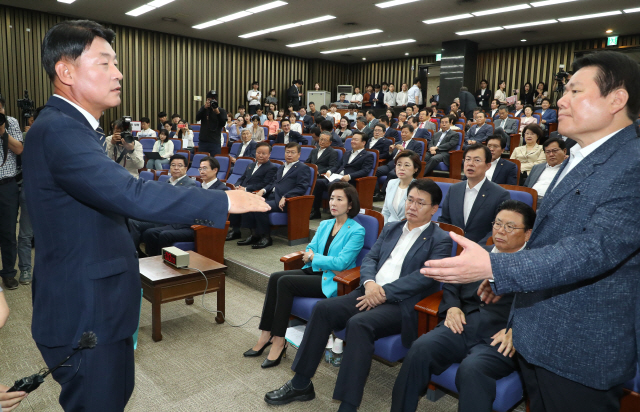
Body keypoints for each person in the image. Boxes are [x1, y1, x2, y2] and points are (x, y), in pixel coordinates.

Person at [23, 20, 269, 412]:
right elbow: (129, 193)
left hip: (99, 305)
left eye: (116, 64)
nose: (118, 73)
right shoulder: (60, 131)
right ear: (65, 72)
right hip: (85, 312)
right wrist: (221, 202)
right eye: (104, 63)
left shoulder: (71, 128)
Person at [421, 51, 640, 412]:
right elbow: (549, 242)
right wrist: (506, 283)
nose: (561, 100)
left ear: (617, 99)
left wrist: (496, 267)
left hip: (579, 349)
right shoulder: (580, 156)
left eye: (573, 91)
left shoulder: (631, 162)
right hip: (536, 337)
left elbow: (594, 249)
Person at [264, 179, 452, 411]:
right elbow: (371, 259)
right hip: (368, 291)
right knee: (323, 309)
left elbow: (426, 276)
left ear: (434, 209)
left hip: (400, 305)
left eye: (420, 202)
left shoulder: (441, 239)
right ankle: (301, 383)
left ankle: (348, 404)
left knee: (359, 324)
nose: (412, 206)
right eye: (409, 200)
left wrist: (383, 293)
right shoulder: (392, 228)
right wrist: (371, 284)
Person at [392, 200, 535, 412]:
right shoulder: (478, 253)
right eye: (497, 224)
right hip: (463, 324)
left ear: (528, 234)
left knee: (472, 368)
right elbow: (451, 282)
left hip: (501, 337)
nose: (501, 231)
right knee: (421, 347)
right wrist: (452, 307)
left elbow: (545, 307)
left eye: (510, 227)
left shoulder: (537, 267)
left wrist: (520, 330)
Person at [245, 182, 365, 367]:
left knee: (284, 282)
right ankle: (265, 334)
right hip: (315, 271)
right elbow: (310, 248)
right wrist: (314, 256)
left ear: (350, 205)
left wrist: (314, 257)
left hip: (333, 279)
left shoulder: (357, 230)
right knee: (276, 276)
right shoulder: (325, 224)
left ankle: (279, 340)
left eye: (339, 199)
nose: (333, 202)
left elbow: (341, 263)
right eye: (332, 198)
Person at [142, 156, 227, 257]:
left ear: (215, 170)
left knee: (165, 235)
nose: (201, 171)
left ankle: (166, 265)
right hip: (184, 223)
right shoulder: (199, 186)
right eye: (200, 169)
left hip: (200, 227)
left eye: (205, 168)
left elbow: (213, 213)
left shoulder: (221, 190)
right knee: (150, 233)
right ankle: (153, 261)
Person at [238, 142, 311, 249]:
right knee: (249, 203)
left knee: (260, 207)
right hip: (272, 196)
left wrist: (286, 196)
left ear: (299, 154)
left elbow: (301, 187)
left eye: (292, 152)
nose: (289, 155)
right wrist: (263, 191)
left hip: (286, 201)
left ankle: (266, 237)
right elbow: (273, 183)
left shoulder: (303, 168)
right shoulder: (281, 167)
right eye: (287, 152)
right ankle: (254, 235)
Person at [438, 144, 510, 244]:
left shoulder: (500, 194)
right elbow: (444, 220)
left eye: (477, 160)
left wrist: (477, 248)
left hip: (480, 250)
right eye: (467, 159)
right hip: (451, 246)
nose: (470, 164)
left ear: (488, 166)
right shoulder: (454, 189)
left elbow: (498, 229)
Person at [310, 132, 372, 219]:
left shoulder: (368, 155)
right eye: (352, 139)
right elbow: (337, 166)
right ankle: (316, 211)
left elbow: (365, 171)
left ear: (363, 143)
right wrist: (329, 172)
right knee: (318, 182)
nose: (352, 141)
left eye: (356, 140)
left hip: (350, 181)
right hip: (336, 177)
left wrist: (349, 176)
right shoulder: (347, 153)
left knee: (333, 185)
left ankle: (334, 212)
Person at [226, 142, 279, 240]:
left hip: (257, 193)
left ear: (269, 154)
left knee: (245, 202)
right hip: (244, 191)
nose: (261, 155)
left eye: (264, 153)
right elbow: (242, 178)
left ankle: (253, 234)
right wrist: (237, 186)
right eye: (258, 153)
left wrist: (246, 189)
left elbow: (265, 184)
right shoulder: (251, 164)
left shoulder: (272, 167)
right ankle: (235, 230)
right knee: (232, 200)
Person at [0, 98, 24, 291]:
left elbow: (19, 149)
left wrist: (2, 133)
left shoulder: (11, 122)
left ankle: (8, 273)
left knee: (8, 233)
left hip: (6, 185)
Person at [381, 150, 421, 224]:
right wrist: (385, 227)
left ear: (415, 169)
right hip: (389, 227)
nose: (401, 168)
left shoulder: (419, 188)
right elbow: (385, 211)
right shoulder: (391, 183)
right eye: (399, 164)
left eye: (406, 165)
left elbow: (419, 216)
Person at [524, 137, 567, 202]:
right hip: (530, 200)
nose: (551, 154)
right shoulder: (537, 168)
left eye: (555, 151)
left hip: (552, 202)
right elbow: (526, 186)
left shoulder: (568, 169)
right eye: (548, 152)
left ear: (564, 151)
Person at [196, 89, 227, 155]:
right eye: (209, 100)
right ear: (206, 100)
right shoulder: (204, 109)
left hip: (215, 142)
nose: (211, 102)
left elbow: (223, 124)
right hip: (203, 142)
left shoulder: (221, 111)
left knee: (214, 162)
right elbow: (197, 118)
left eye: (213, 100)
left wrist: (218, 113)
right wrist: (204, 108)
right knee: (202, 161)